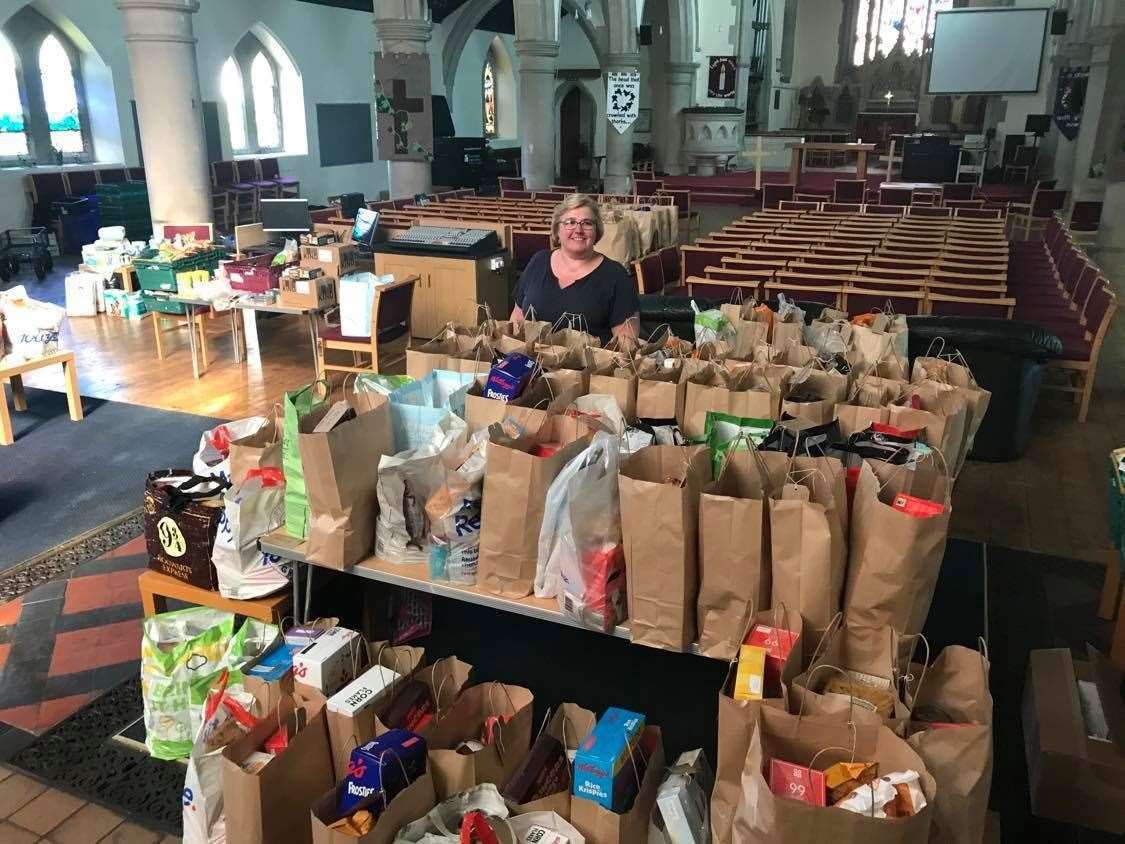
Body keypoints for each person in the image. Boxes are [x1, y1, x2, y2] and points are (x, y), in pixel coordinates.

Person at [510, 194, 639, 344]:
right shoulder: (538, 261)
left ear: (597, 231)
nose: (578, 230)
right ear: (557, 230)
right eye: (570, 222)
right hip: (530, 362)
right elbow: (516, 319)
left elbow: (626, 344)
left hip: (589, 366)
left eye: (587, 223)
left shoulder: (616, 275)